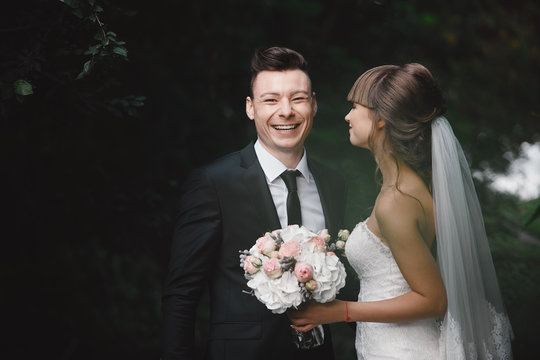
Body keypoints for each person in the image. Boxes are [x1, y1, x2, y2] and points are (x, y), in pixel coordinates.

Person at [289, 63, 513, 359]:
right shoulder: (411, 188)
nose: (348, 116)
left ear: (381, 118)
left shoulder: (397, 200)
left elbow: (432, 300)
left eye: (355, 106)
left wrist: (340, 312)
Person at [161, 47, 346, 360]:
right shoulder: (214, 182)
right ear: (251, 108)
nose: (285, 111)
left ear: (313, 104)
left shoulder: (333, 183)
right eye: (270, 100)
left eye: (298, 98)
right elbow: (182, 292)